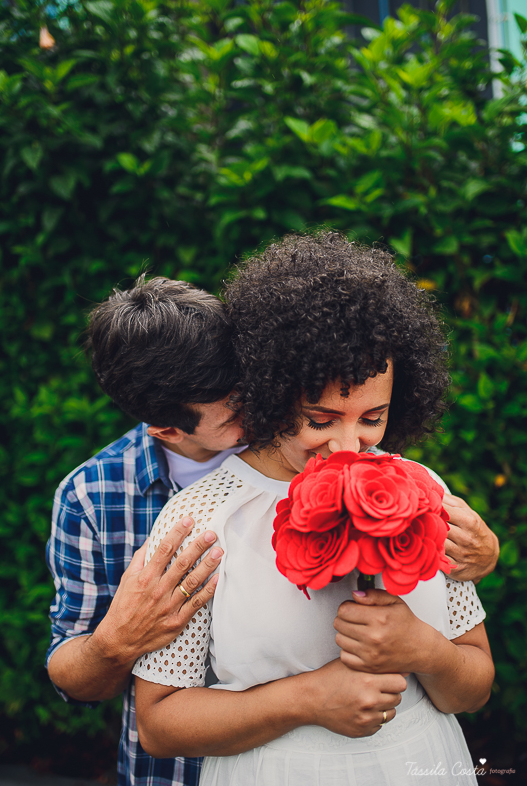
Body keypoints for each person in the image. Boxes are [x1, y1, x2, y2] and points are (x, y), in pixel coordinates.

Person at [133, 233, 495, 786]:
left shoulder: (420, 489)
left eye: (372, 417)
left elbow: (474, 687)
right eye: (320, 420)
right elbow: (158, 724)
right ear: (269, 392)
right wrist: (304, 699)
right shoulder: (203, 517)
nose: (349, 447)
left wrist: (427, 651)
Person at [46, 277, 244, 786]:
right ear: (166, 428)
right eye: (235, 414)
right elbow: (71, 671)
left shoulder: (300, 443)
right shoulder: (90, 496)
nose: (259, 413)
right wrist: (114, 642)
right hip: (172, 772)